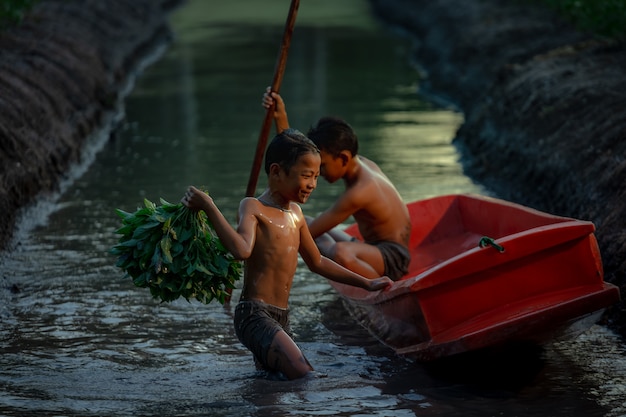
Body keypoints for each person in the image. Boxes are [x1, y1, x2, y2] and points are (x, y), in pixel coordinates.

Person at [181, 129, 392, 380]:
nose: (312, 184)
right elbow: (241, 250)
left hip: (282, 316)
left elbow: (318, 262)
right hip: (253, 314)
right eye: (306, 176)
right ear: (276, 172)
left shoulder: (296, 214)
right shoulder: (252, 206)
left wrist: (367, 283)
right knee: (304, 374)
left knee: (272, 392)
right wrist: (209, 206)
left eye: (315, 176)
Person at [262, 88, 411, 281]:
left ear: (342, 158)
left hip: (392, 258)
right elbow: (298, 155)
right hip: (374, 249)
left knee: (337, 250)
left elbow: (311, 233)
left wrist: (269, 240)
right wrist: (280, 116)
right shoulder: (362, 164)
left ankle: (379, 288)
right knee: (303, 221)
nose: (318, 173)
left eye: (322, 166)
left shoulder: (360, 191)